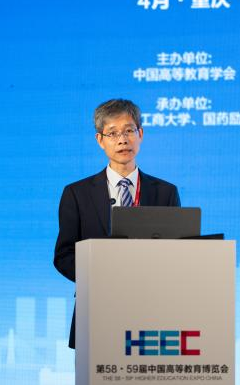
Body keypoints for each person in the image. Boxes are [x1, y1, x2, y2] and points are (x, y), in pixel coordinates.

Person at [53, 98, 181, 349]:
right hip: (97, 309)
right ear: (100, 140)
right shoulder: (77, 193)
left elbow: (177, 253)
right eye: (112, 133)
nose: (122, 140)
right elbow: (64, 255)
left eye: (129, 130)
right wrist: (102, 278)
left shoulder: (165, 192)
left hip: (152, 311)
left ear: (140, 134)